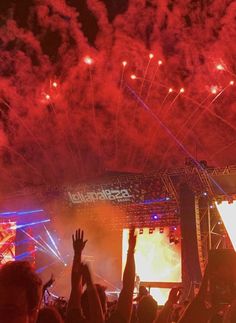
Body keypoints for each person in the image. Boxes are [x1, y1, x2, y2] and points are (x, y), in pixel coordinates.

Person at [66, 229, 104, 323]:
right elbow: (97, 317)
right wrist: (89, 282)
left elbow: (75, 290)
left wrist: (77, 253)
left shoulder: (73, 320)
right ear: (103, 308)